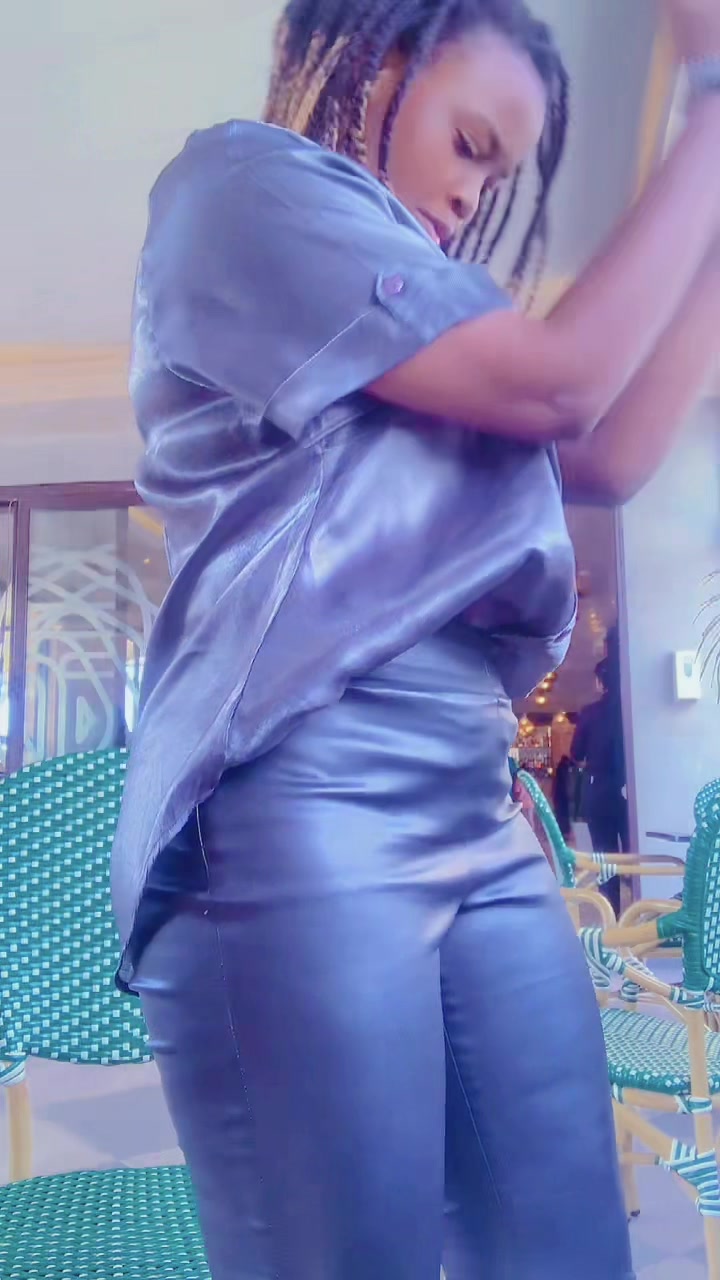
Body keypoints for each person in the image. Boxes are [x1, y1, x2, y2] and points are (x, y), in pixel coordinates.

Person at [110, 2, 720, 1277]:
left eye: (496, 178)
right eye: (471, 144)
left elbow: (607, 451)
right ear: (372, 60)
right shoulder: (240, 186)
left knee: (569, 1250)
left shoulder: (441, 329)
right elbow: (564, 383)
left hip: (474, 803)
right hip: (294, 798)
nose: (470, 197)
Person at [573, 656, 629, 914]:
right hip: (630, 787)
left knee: (605, 853)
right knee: (634, 849)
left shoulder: (590, 713)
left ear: (601, 682)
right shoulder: (630, 709)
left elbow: (577, 753)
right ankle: (642, 905)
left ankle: (612, 911)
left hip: (599, 788)